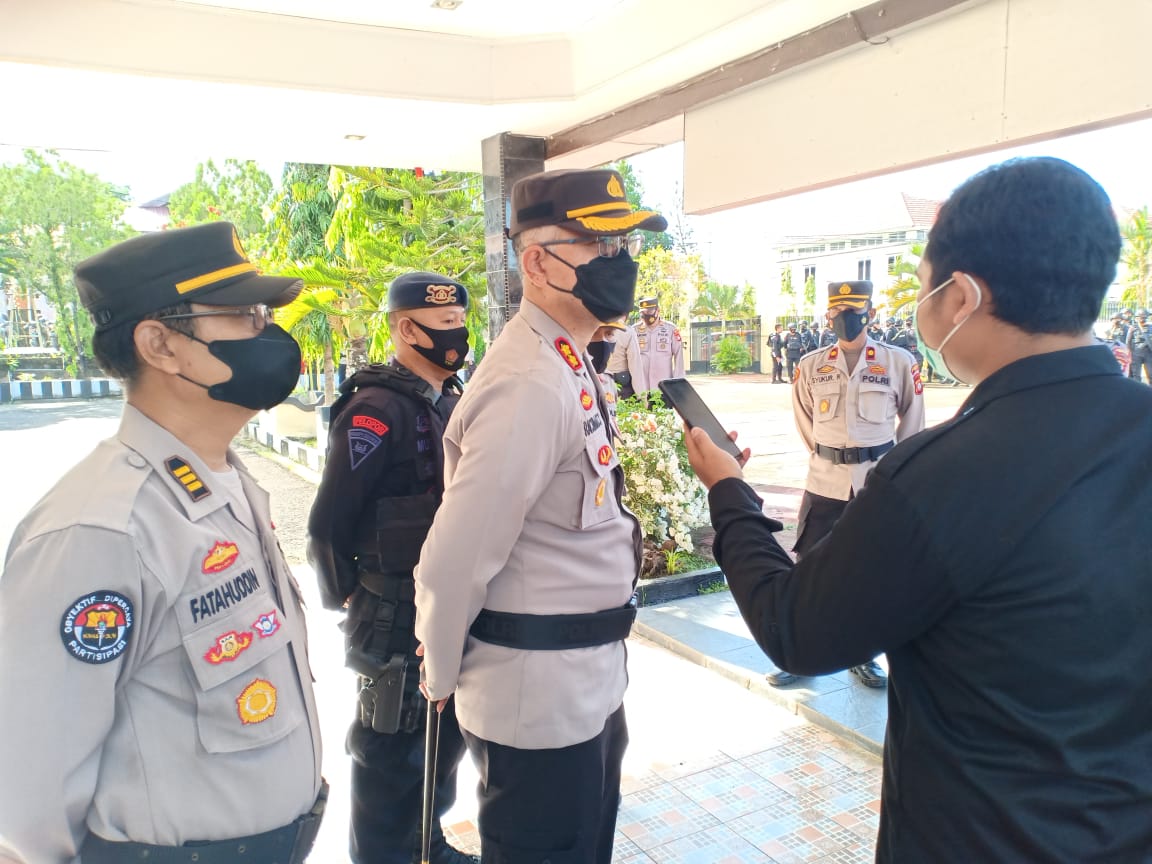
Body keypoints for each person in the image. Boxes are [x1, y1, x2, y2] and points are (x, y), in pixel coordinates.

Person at [683, 157, 1152, 862]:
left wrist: (728, 491)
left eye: (925, 283)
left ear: (960, 297)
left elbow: (797, 629)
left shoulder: (945, 472)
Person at [0, 223, 326, 863]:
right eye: (243, 315)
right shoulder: (102, 529)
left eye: (263, 315)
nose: (268, 334)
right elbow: (24, 803)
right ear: (160, 345)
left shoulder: (222, 479)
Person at [413, 167, 663, 864]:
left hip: (582, 685)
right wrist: (440, 674)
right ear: (537, 263)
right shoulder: (528, 381)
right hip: (539, 705)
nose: (620, 261)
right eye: (599, 245)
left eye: (623, 245)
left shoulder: (564, 360)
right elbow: (455, 557)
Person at [306, 272, 477, 864]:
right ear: (407, 329)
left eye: (461, 321)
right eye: (445, 324)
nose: (458, 334)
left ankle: (426, 845)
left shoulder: (450, 397)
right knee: (389, 751)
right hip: (392, 610)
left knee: (440, 743)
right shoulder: (375, 409)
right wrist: (350, 595)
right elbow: (329, 522)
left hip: (443, 605)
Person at [764, 280, 924, 689]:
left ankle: (861, 655)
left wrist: (894, 472)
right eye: (837, 312)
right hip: (825, 482)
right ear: (828, 315)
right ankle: (800, 655)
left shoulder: (898, 362)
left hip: (877, 485)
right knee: (808, 572)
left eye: (853, 310)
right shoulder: (811, 364)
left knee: (872, 573)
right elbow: (804, 419)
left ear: (870, 313)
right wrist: (828, 455)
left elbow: (913, 420)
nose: (845, 318)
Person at [634, 296, 683, 388]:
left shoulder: (670, 329)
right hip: (642, 386)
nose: (646, 315)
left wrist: (678, 383)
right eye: (643, 312)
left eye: (649, 311)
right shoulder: (634, 330)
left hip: (664, 386)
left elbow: (679, 357)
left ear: (658, 310)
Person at [588, 317, 628, 423]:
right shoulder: (569, 380)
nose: (603, 341)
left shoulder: (608, 380)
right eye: (594, 332)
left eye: (609, 334)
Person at [603, 317, 645, 398]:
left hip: (600, 382)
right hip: (622, 386)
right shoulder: (627, 331)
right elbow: (635, 367)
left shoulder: (595, 327)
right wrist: (642, 397)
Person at [1125, 309, 1151, 383]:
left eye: (1143, 317)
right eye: (1140, 317)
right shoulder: (1133, 328)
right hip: (1136, 353)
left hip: (1149, 353)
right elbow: (1128, 341)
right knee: (1136, 375)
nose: (1142, 318)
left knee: (1150, 374)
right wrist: (1129, 353)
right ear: (1136, 318)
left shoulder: (1150, 327)